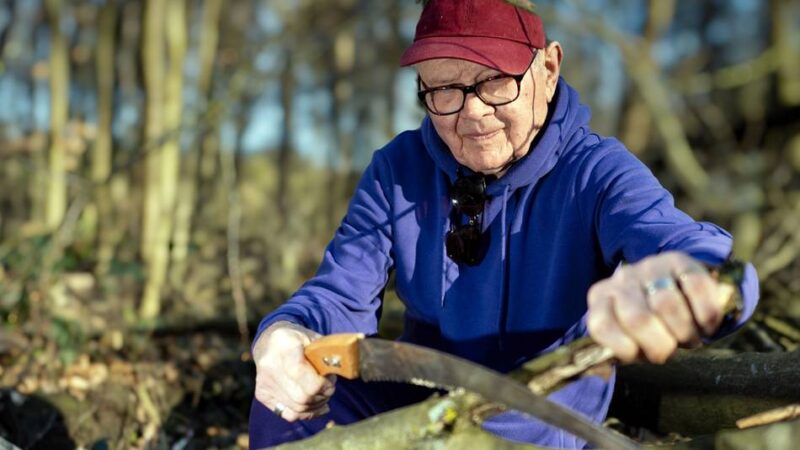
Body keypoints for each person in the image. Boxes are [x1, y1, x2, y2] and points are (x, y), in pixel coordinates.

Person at [248, 0, 759, 448]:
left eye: (494, 80)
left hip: (535, 423)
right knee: (288, 392)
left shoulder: (597, 172)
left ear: (549, 68)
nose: (471, 112)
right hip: (422, 402)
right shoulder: (397, 171)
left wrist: (696, 284)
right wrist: (288, 333)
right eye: (444, 88)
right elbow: (339, 294)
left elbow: (689, 249)